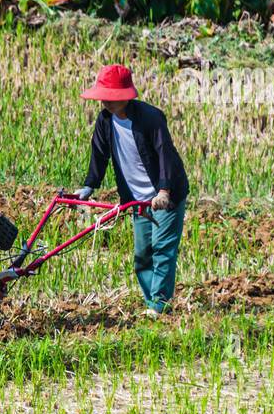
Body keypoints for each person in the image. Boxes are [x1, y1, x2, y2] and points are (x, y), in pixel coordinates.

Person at [74, 64, 189, 316]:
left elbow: (165, 155)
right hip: (136, 198)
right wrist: (88, 187)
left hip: (165, 196)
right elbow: (99, 154)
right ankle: (154, 304)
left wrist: (164, 190)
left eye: (110, 96)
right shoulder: (105, 120)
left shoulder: (150, 118)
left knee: (162, 249)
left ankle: (159, 305)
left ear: (125, 95)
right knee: (142, 255)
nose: (105, 101)